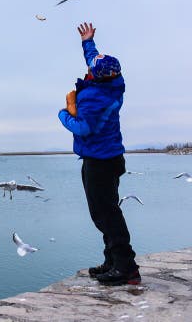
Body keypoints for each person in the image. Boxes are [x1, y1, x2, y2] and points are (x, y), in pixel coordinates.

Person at [58, 22, 140, 286]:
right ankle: (113, 261)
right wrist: (87, 41)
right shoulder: (113, 81)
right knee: (107, 211)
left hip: (100, 161)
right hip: (110, 157)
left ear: (97, 76)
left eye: (91, 69)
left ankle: (126, 268)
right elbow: (94, 58)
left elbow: (84, 128)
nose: (88, 68)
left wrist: (62, 114)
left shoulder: (96, 99)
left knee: (105, 214)